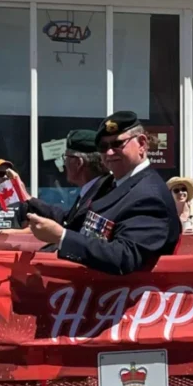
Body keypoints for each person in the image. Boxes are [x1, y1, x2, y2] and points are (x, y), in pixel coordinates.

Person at [27, 111, 180, 275]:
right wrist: (30, 203)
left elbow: (124, 256)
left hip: (121, 296)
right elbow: (76, 220)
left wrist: (62, 237)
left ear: (142, 144)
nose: (109, 153)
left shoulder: (149, 195)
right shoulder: (112, 183)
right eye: (103, 147)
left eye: (117, 144)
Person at [22, 130, 113, 252]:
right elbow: (68, 218)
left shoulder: (103, 194)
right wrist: (29, 199)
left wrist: (59, 236)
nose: (64, 164)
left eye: (66, 157)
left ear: (78, 163)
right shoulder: (93, 189)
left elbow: (91, 245)